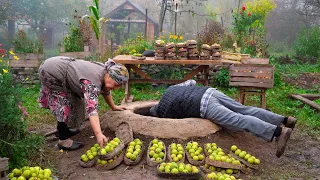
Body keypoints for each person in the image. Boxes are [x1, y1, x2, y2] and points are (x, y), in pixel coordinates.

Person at [149, 80, 296, 158]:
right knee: (244, 109)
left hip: (204, 106)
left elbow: (175, 125)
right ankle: (284, 119)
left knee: (239, 120)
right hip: (210, 92)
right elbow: (192, 82)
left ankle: (279, 132)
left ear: (157, 112)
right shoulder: (170, 89)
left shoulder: (165, 112)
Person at [38, 56, 129, 151]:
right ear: (110, 76)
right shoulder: (92, 82)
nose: (115, 88)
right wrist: (98, 134)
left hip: (60, 67)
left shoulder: (106, 72)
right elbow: (92, 110)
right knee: (63, 104)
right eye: (116, 85)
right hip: (51, 72)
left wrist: (113, 107)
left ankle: (64, 130)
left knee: (74, 101)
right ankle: (63, 139)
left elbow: (105, 90)